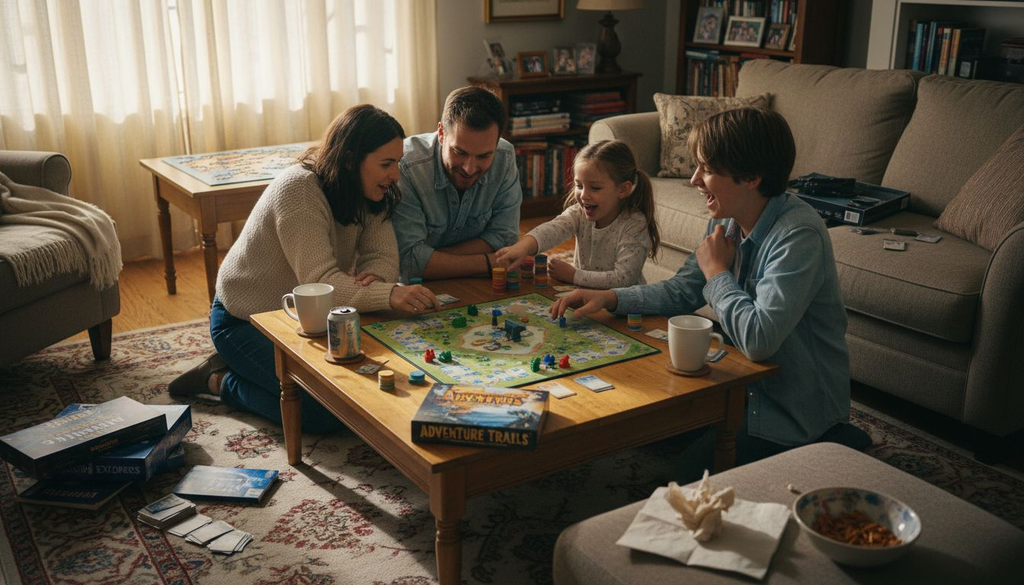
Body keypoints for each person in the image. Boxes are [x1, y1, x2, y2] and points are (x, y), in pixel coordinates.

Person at [550, 108, 866, 477]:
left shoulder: (798, 236)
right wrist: (612, 298)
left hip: (790, 411)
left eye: (708, 170)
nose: (694, 180)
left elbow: (759, 339)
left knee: (681, 480)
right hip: (739, 391)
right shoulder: (729, 218)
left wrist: (716, 272)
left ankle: (835, 442)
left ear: (751, 177)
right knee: (644, 429)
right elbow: (684, 291)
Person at [169, 105, 439, 433]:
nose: (396, 174)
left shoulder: (371, 189)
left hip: (306, 316)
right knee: (322, 413)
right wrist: (388, 293)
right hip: (245, 320)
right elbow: (321, 281)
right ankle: (219, 380)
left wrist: (376, 282)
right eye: (386, 164)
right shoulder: (299, 189)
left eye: (397, 162)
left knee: (364, 396)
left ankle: (243, 369)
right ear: (352, 160)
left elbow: (382, 257)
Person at [393, 86, 522, 282]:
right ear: (441, 133)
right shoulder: (406, 166)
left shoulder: (505, 156)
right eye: (460, 152)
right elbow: (409, 263)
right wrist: (490, 263)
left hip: (476, 283)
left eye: (484, 156)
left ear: (497, 143)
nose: (469, 168)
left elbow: (504, 237)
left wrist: (432, 260)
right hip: (418, 289)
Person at [494, 140, 660, 289]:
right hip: (585, 294)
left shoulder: (634, 224)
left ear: (623, 189)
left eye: (595, 188)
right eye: (579, 186)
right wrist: (523, 247)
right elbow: (553, 229)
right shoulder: (580, 212)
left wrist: (573, 275)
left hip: (623, 307)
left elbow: (623, 279)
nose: (583, 195)